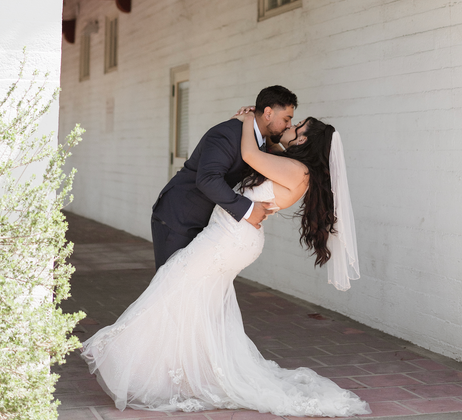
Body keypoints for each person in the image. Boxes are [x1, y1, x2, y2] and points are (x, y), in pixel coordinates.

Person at [80, 108, 366, 416]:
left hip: (229, 239)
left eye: (298, 126)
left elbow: (249, 152)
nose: (292, 127)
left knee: (170, 287)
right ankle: (187, 371)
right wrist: (254, 126)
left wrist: (246, 122)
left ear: (306, 139)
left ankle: (143, 368)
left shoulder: (298, 170)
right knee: (190, 299)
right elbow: (260, 153)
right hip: (228, 236)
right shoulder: (293, 166)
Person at [150, 86, 297, 271]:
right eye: (286, 118)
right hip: (179, 219)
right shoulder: (227, 134)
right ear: (268, 113)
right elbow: (207, 179)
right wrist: (248, 210)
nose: (289, 125)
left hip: (206, 224)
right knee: (169, 286)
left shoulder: (260, 142)